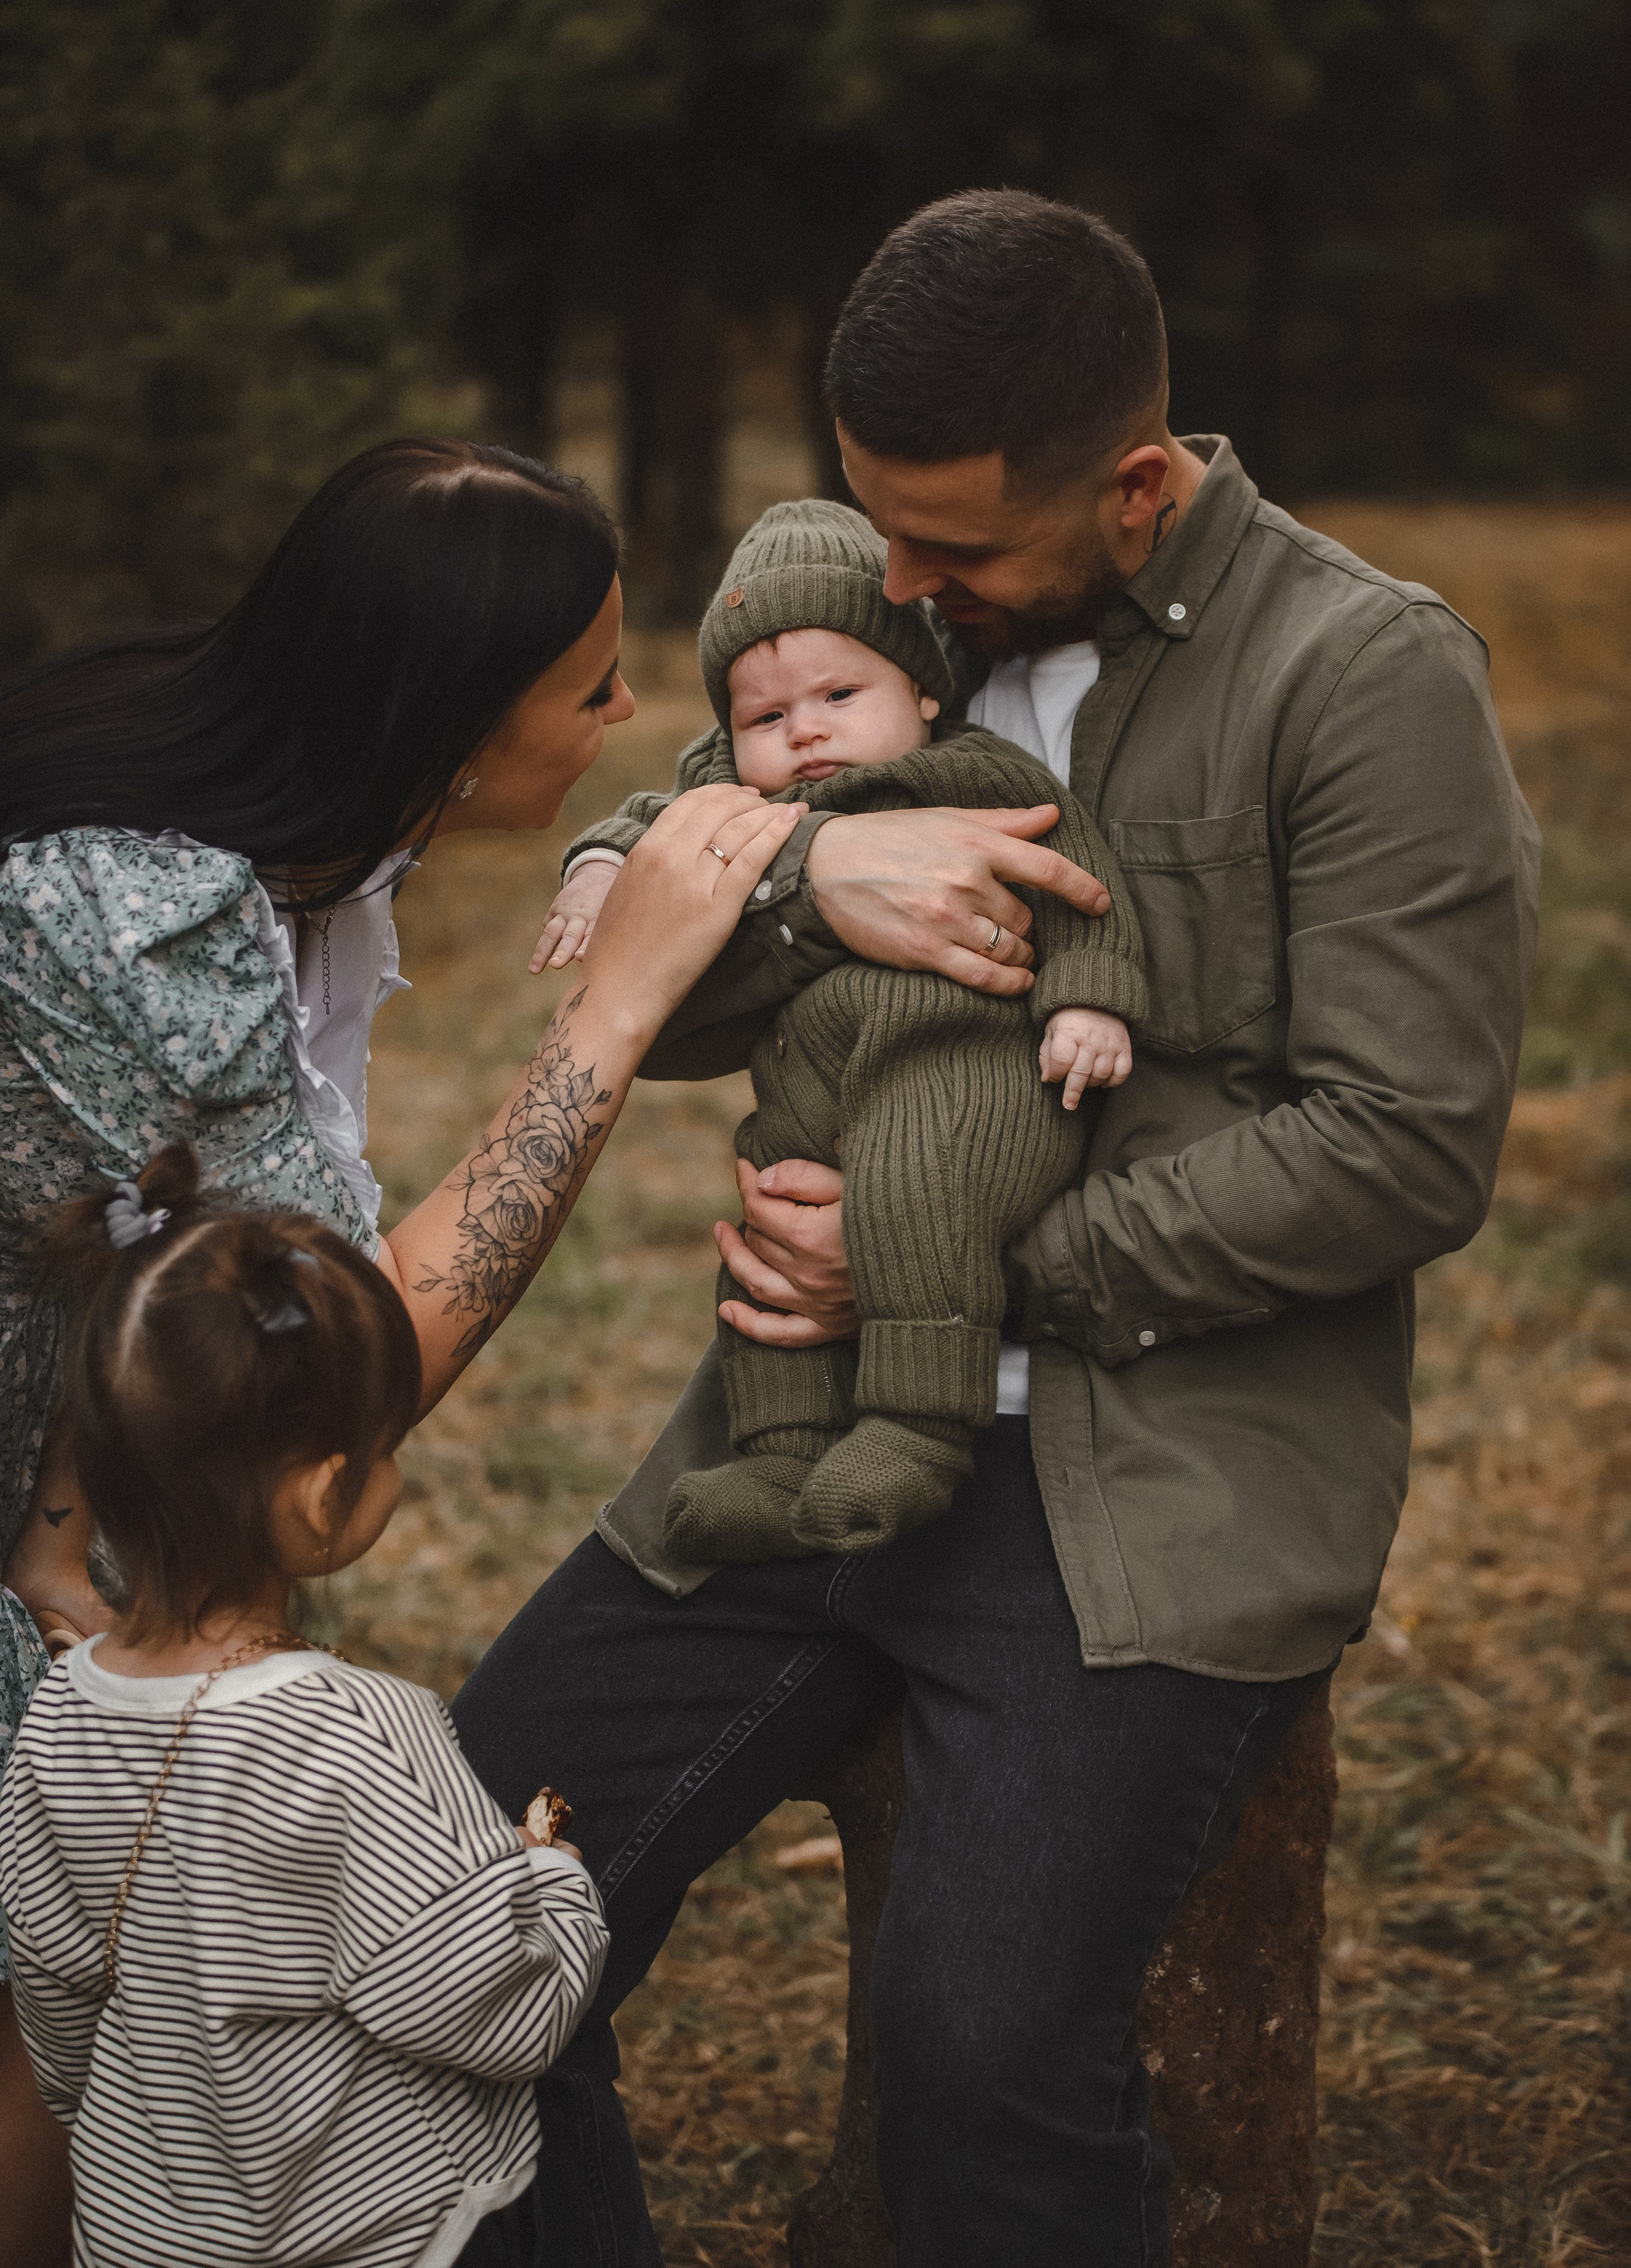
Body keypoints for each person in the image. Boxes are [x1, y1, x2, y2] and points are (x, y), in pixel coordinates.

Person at [451, 192, 1541, 2267]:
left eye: (951, 554)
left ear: (1136, 486)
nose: (904, 588)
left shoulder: (1360, 674)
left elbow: (1405, 1146)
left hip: (1142, 1483)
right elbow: (651, 953)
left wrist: (954, 1269)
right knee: (443, 1916)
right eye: (883, 534)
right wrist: (807, 885)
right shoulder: (882, 633)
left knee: (977, 2061)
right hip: (793, 1439)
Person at [0, 434, 911, 2261]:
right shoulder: (132, 921)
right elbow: (333, 1360)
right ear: (456, 728)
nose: (630, 709)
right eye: (591, 688)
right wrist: (620, 1006)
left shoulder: (304, 817)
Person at [0, 1141, 608, 2268]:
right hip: (376, 2234)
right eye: (386, 1450)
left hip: (149, 2237)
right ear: (324, 1495)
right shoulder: (364, 1734)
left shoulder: (55, 1718)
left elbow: (55, 2000)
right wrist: (550, 1882)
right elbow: (494, 2010)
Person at [536, 497, 1145, 1563]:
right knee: (768, 1213)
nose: (804, 729)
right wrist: (594, 875)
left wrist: (1089, 998)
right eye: (765, 717)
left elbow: (1077, 876)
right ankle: (780, 1452)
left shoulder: (972, 772)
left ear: (920, 687)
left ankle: (919, 1428)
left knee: (917, 1190)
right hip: (819, 1088)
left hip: (965, 1076)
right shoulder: (733, 799)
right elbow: (640, 829)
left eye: (837, 693)